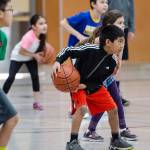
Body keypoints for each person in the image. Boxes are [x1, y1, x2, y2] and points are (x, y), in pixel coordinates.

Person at [52, 25, 133, 150]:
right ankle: (72, 142)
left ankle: (115, 139)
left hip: (94, 86)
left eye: (123, 42)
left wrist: (88, 86)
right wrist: (58, 61)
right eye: (120, 41)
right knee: (82, 109)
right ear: (108, 42)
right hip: (77, 85)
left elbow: (101, 80)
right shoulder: (90, 49)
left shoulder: (112, 62)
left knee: (113, 109)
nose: (122, 45)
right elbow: (68, 50)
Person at [82, 10, 137, 142]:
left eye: (123, 22)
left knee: (117, 102)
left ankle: (122, 129)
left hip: (108, 75)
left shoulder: (120, 39)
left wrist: (113, 70)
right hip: (97, 77)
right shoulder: (98, 41)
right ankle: (90, 130)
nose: (123, 25)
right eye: (120, 23)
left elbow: (119, 62)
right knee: (107, 104)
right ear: (109, 25)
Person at [60, 0, 108, 116]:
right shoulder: (83, 16)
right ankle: (77, 107)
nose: (105, 4)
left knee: (91, 80)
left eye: (106, 2)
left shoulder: (103, 21)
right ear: (93, 4)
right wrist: (78, 35)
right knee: (77, 81)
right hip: (76, 52)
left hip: (90, 54)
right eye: (102, 2)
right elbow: (63, 23)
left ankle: (93, 105)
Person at [2, 14, 50, 111]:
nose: (44, 25)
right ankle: (1, 101)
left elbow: (39, 47)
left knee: (35, 77)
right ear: (33, 27)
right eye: (41, 24)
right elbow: (21, 51)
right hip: (17, 57)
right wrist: (35, 55)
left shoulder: (42, 36)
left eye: (45, 23)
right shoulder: (28, 37)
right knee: (11, 77)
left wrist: (42, 54)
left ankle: (36, 103)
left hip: (30, 57)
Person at [108, 0, 135, 106]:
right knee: (109, 63)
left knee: (119, 63)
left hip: (123, 29)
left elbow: (131, 11)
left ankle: (117, 93)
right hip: (111, 29)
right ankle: (107, 93)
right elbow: (103, 8)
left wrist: (131, 28)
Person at [0, 0, 19, 149]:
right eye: (10, 10)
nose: (13, 14)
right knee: (12, 117)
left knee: (12, 118)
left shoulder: (2, 37)